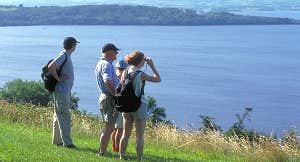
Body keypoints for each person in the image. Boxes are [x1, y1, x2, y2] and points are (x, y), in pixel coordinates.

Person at [119, 51, 161, 161]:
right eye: (143, 59)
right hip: (139, 105)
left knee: (125, 134)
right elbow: (158, 79)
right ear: (139, 61)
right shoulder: (141, 74)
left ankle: (121, 156)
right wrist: (151, 65)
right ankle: (139, 159)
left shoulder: (125, 71)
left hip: (126, 105)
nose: (144, 61)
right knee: (139, 136)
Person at [48, 37, 79, 148]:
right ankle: (68, 143)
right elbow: (51, 66)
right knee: (65, 116)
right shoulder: (64, 55)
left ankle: (57, 141)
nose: (76, 47)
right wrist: (58, 78)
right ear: (73, 45)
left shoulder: (66, 55)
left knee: (58, 115)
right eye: (75, 45)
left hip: (62, 91)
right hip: (62, 91)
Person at [95, 43, 120, 155]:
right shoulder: (107, 65)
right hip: (109, 97)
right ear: (110, 52)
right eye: (116, 52)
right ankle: (102, 153)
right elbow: (107, 80)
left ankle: (100, 150)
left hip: (103, 96)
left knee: (106, 126)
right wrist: (116, 95)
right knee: (109, 127)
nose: (117, 54)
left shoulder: (100, 63)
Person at [111, 60, 128, 152]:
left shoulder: (114, 76)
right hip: (120, 104)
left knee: (114, 129)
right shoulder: (122, 77)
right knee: (120, 129)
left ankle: (114, 147)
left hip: (114, 104)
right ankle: (118, 148)